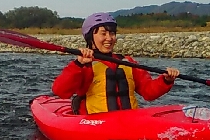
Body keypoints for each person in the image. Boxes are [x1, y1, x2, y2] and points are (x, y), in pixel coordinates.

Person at [52, 12, 180, 114]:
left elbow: (148, 92)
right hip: (97, 125)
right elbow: (60, 91)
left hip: (129, 121)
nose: (109, 38)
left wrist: (166, 81)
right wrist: (78, 64)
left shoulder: (127, 62)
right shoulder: (85, 64)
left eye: (112, 33)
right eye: (103, 33)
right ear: (91, 37)